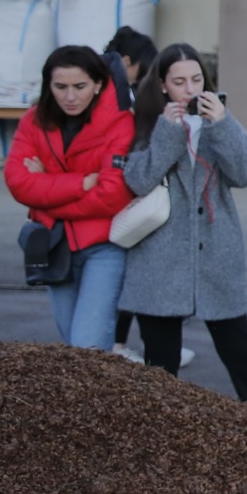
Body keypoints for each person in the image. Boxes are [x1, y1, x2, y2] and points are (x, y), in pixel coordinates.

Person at [117, 43, 247, 410]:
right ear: (162, 85)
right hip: (159, 258)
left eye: (196, 79)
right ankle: (161, 430)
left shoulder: (221, 120)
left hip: (216, 254)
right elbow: (138, 181)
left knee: (241, 355)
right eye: (179, 82)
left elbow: (245, 174)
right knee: (161, 364)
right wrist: (167, 132)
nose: (190, 89)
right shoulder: (145, 123)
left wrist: (221, 124)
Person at [4, 45, 135, 352]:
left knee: (86, 346)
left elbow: (112, 195)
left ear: (98, 84)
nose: (70, 96)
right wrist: (82, 182)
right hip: (54, 245)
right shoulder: (32, 120)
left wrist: (46, 192)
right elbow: (18, 183)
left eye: (80, 86)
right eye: (60, 87)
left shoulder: (120, 122)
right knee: (72, 350)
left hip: (104, 247)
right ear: (48, 85)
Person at [100, 27, 176, 365]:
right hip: (115, 195)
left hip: (118, 192)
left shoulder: (117, 88)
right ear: (127, 62)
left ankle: (127, 344)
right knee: (124, 273)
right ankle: (116, 345)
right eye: (144, 70)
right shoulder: (113, 92)